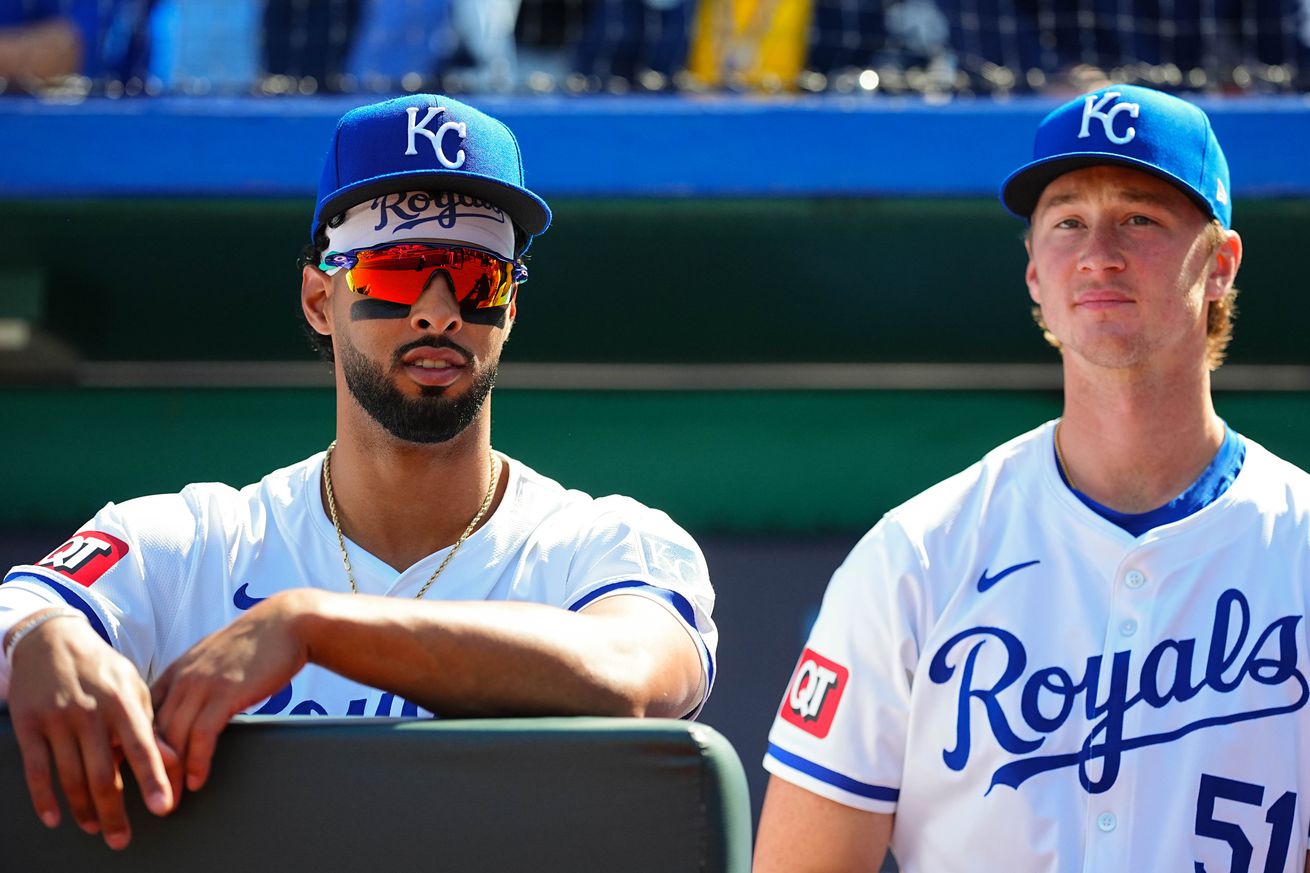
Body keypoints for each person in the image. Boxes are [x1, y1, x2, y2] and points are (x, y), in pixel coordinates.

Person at [0, 94, 716, 852]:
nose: (438, 313)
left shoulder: (607, 541)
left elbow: (628, 674)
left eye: (479, 277)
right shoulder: (193, 541)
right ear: (320, 298)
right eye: (399, 272)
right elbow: (25, 605)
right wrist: (40, 632)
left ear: (510, 308)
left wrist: (312, 625)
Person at [754, 84, 1310, 872]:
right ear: (1034, 276)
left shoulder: (1300, 544)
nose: (1098, 252)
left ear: (1218, 266)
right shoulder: (916, 555)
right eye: (1067, 222)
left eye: (1139, 218)